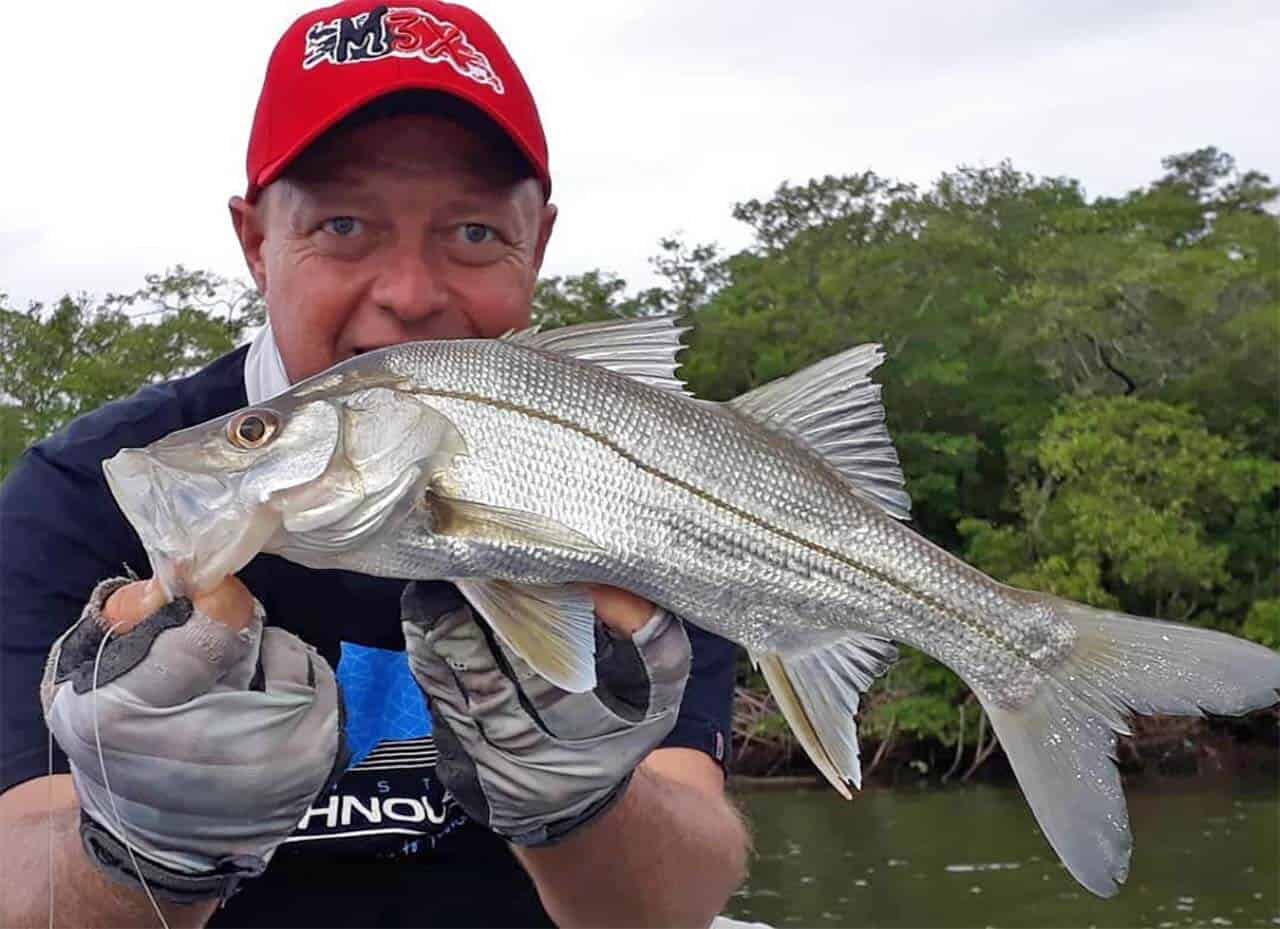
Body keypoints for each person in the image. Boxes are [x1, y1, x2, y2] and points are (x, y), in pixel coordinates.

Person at [0, 2, 750, 926]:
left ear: (539, 244)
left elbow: (676, 901)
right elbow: (15, 873)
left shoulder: (641, 467)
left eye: (473, 233)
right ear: (256, 242)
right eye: (345, 225)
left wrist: (583, 804)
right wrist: (141, 848)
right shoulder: (78, 493)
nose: (409, 295)